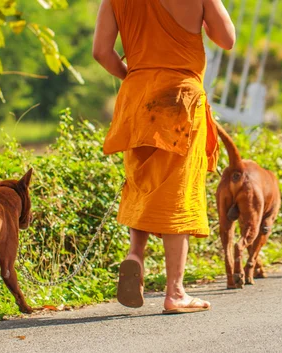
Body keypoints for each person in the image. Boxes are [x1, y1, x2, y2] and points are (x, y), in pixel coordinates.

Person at [93, 0, 235, 313]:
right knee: (176, 194)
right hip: (180, 96)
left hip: (138, 95)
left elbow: (102, 52)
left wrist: (134, 75)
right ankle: (175, 292)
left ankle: (135, 255)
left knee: (143, 182)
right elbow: (226, 39)